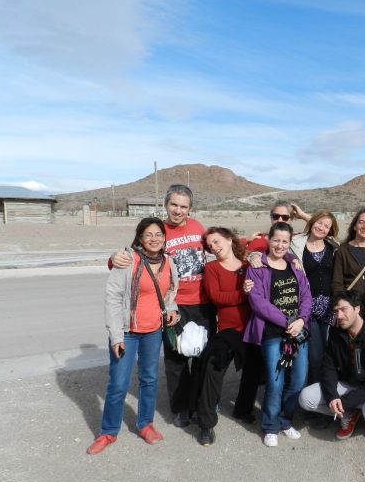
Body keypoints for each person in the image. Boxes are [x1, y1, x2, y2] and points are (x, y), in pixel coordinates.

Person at [110, 184, 214, 429]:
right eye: (174, 205)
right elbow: (131, 255)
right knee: (176, 360)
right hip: (172, 305)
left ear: (190, 208)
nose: (178, 211)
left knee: (202, 357)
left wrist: (254, 250)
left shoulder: (198, 227)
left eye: (184, 206)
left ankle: (202, 404)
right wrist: (113, 258)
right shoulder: (157, 230)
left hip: (203, 303)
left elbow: (221, 246)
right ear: (166, 205)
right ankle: (181, 408)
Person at [87, 217, 179, 455]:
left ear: (164, 237)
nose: (154, 239)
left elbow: (170, 293)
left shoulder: (169, 262)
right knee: (118, 384)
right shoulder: (128, 260)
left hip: (153, 332)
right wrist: (116, 336)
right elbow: (113, 298)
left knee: (149, 380)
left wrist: (172, 310)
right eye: (148, 234)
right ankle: (108, 432)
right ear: (139, 238)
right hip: (127, 332)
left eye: (158, 234)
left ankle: (145, 424)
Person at [244, 222, 313, 447]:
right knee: (275, 381)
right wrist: (287, 322)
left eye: (285, 241)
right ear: (269, 240)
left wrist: (301, 320)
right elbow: (257, 302)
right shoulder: (257, 266)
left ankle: (285, 420)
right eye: (276, 240)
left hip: (298, 331)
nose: (280, 245)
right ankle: (270, 425)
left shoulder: (295, 265)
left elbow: (306, 296)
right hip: (272, 332)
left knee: (299, 379)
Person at [298, 290, 365, 447]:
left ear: (357, 309)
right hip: (348, 385)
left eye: (344, 309)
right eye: (336, 311)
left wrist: (347, 401)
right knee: (305, 398)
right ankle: (349, 413)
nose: (339, 315)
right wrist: (332, 397)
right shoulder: (336, 333)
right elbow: (328, 368)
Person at [193, 226, 256, 446]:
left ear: (230, 240)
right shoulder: (212, 268)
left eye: (217, 241)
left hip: (252, 327)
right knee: (213, 366)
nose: (214, 247)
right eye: (210, 245)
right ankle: (206, 423)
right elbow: (217, 297)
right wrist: (243, 294)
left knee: (253, 371)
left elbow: (276, 248)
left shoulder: (249, 266)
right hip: (228, 330)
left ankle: (243, 409)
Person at [289, 210, 340, 383]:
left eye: (327, 226)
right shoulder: (295, 243)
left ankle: (327, 390)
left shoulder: (333, 247)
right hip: (307, 307)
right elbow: (274, 247)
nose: (322, 227)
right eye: (319, 223)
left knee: (329, 352)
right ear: (312, 222)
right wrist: (254, 255)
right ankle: (313, 394)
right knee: (316, 354)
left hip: (330, 307)